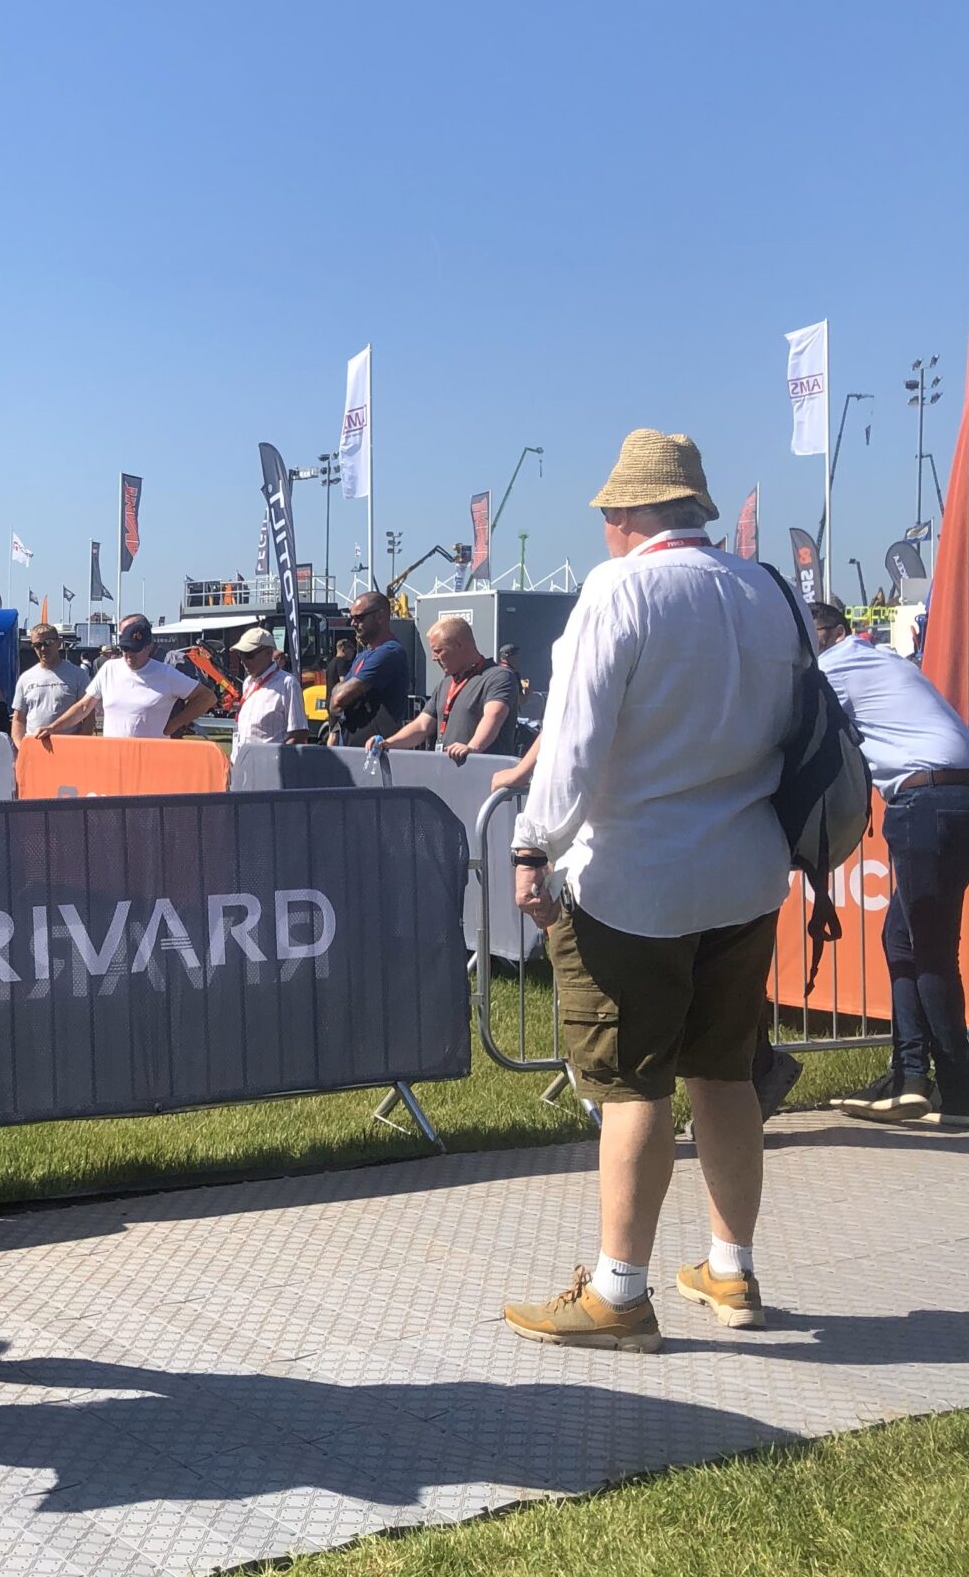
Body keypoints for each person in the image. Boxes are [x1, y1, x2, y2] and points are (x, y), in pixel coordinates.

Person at [500, 430, 798, 1350]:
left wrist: (532, 845)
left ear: (626, 512)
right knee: (725, 1074)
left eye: (607, 514)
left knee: (632, 1086)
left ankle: (619, 1292)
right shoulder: (767, 589)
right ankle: (732, 1269)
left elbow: (574, 738)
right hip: (747, 869)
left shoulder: (618, 589)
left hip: (634, 878)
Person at [808, 602, 969, 1128]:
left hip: (928, 802)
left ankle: (954, 1093)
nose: (803, 645)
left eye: (810, 633)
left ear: (833, 634)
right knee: (904, 940)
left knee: (929, 951)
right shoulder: (882, 660)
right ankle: (911, 1078)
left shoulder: (833, 666)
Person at [42, 614, 215, 740]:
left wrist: (175, 724)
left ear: (148, 647)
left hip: (152, 759)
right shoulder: (109, 668)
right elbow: (84, 707)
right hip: (114, 759)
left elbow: (207, 698)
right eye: (125, 649)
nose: (128, 655)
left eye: (134, 649)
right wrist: (53, 727)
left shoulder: (166, 673)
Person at [376, 615, 519, 763]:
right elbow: (422, 726)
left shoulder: (498, 677)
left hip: (483, 771)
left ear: (459, 645)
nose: (434, 658)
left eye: (438, 651)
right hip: (446, 771)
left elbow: (493, 716)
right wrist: (388, 743)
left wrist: (472, 748)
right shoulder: (446, 682)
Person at [327, 592, 410, 743]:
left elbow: (339, 698)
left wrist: (341, 691)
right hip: (353, 747)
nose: (353, 623)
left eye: (359, 618)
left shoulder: (389, 652)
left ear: (380, 616)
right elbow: (335, 701)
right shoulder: (363, 655)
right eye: (351, 618)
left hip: (376, 750)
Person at [10, 624, 87, 741]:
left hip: (68, 746)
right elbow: (18, 720)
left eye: (48, 642)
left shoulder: (78, 675)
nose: (43, 648)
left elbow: (88, 716)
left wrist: (79, 746)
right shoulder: (25, 678)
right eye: (37, 645)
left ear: (59, 643)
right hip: (35, 746)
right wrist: (22, 748)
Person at [228, 626, 300, 750]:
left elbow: (299, 732)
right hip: (242, 759)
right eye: (241, 655)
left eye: (248, 655)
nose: (242, 661)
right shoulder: (248, 683)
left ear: (268, 653)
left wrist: (275, 757)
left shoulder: (287, 683)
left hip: (269, 761)